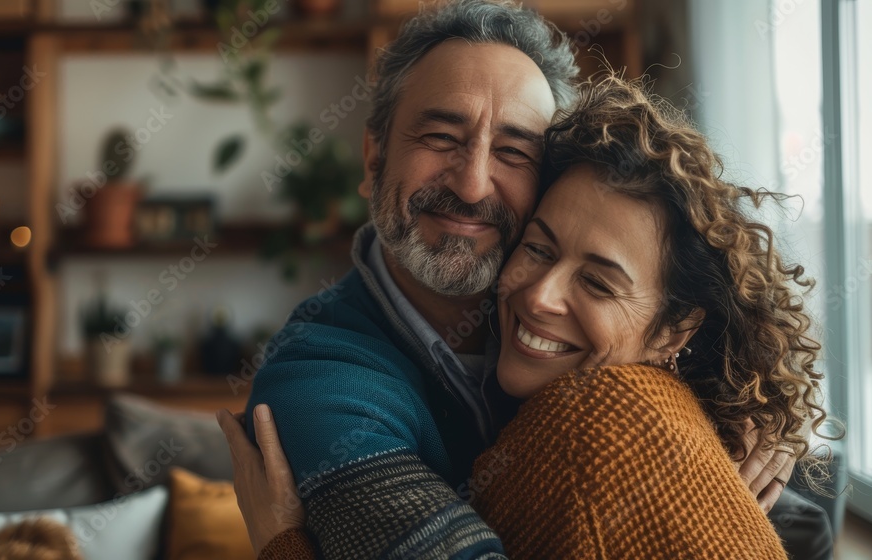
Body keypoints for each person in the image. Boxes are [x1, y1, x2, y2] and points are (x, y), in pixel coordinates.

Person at [219, 0, 824, 557]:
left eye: (513, 152)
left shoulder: (590, 347)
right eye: (440, 137)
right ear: (374, 159)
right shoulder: (320, 383)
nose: (472, 183)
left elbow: (799, 527)